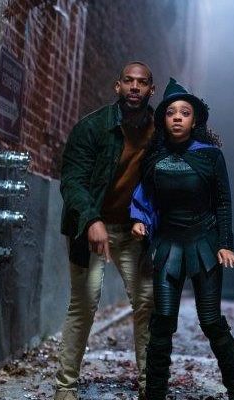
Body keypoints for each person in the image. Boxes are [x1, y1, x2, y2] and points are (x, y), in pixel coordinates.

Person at [130, 78, 234, 400]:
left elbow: (223, 202)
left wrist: (225, 244)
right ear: (163, 120)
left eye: (185, 113)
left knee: (210, 321)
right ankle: (154, 394)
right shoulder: (153, 158)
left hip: (204, 244)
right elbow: (144, 198)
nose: (178, 118)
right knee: (162, 321)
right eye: (171, 112)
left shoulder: (210, 156)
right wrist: (139, 222)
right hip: (168, 244)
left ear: (194, 120)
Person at [57, 62, 156, 400]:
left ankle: (150, 386)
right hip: (91, 229)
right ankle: (65, 387)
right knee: (84, 303)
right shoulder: (93, 127)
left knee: (147, 302)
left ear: (151, 90)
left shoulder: (159, 133)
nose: (134, 87)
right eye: (128, 81)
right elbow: (72, 181)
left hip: (134, 231)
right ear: (118, 86)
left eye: (142, 82)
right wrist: (91, 220)